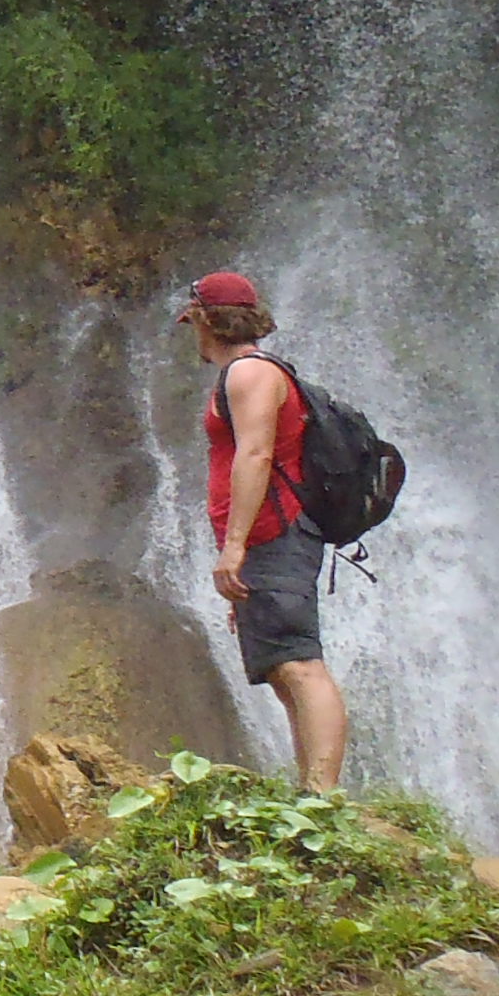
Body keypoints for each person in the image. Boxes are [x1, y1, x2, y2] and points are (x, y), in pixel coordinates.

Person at [178, 270, 346, 791]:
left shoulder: (249, 373)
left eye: (193, 320)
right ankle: (310, 791)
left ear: (208, 319)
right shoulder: (247, 373)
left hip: (277, 530)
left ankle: (322, 795)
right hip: (267, 539)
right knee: (282, 667)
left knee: (299, 665)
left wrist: (234, 547)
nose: (192, 332)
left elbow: (256, 454)